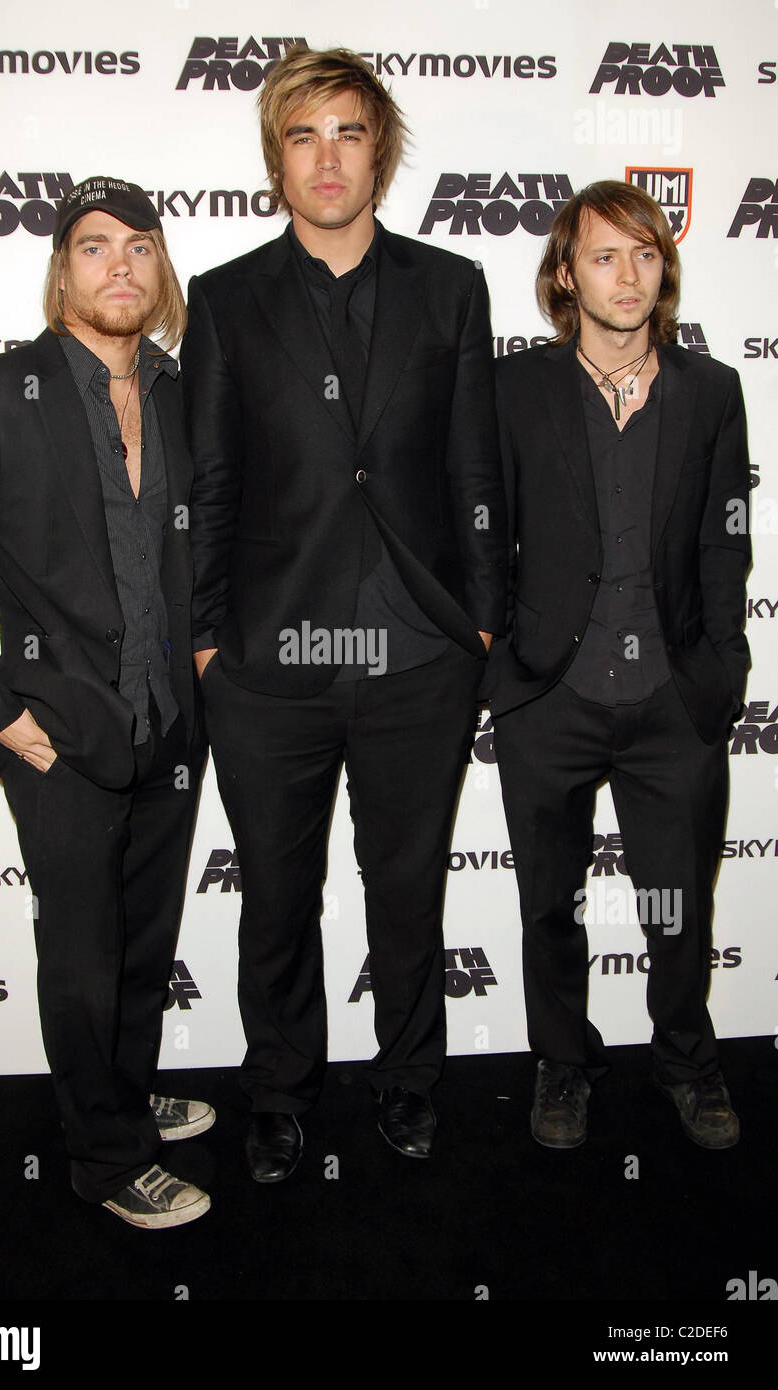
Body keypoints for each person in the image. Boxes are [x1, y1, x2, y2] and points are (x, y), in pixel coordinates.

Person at [182, 47, 506, 1181]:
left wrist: (479, 626)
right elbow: (210, 480)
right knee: (275, 892)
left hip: (421, 652)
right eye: (304, 135)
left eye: (349, 133)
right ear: (277, 156)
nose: (328, 158)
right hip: (270, 660)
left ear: (383, 150)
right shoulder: (223, 299)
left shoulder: (449, 286)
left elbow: (475, 464)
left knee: (408, 889)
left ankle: (408, 1081)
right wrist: (209, 640)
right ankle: (278, 1090)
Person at [0, 176, 214, 1226]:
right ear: (60, 270)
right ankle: (105, 1159)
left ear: (160, 270)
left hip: (171, 724)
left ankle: (122, 1092)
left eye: (139, 246)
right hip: (60, 733)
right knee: (80, 954)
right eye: (93, 246)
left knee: (141, 940)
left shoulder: (179, 390)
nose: (120, 264)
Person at [487, 180, 750, 1150]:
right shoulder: (514, 390)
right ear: (566, 274)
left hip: (671, 700)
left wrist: (720, 670)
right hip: (547, 698)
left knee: (677, 907)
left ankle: (686, 1058)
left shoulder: (711, 391)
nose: (627, 274)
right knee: (547, 903)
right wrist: (496, 660)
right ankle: (562, 1061)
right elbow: (480, 536)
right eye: (604, 255)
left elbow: (726, 543)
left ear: (663, 269)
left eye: (644, 254)